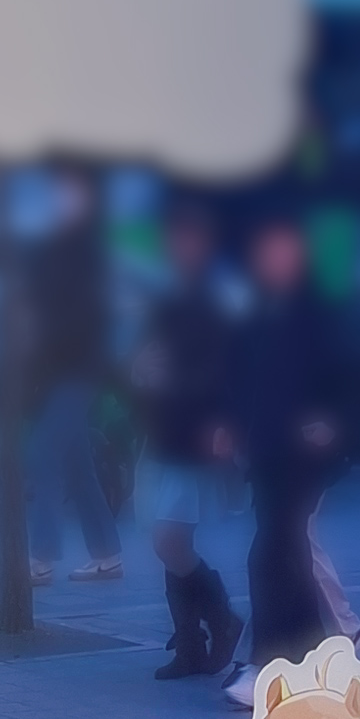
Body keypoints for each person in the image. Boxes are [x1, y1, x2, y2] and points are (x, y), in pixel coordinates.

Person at [222, 212, 356, 695]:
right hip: (266, 451)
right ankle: (316, 654)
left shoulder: (321, 314)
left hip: (306, 455)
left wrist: (334, 421)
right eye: (266, 251)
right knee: (289, 552)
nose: (274, 260)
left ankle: (269, 663)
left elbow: (355, 379)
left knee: (271, 550)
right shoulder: (256, 313)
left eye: (283, 250)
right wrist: (231, 426)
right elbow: (239, 378)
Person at [126, 198, 244, 681]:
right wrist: (140, 371)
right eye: (176, 238)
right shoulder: (166, 297)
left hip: (197, 431)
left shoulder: (222, 298)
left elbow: (228, 367)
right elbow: (146, 358)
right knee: (169, 538)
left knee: (168, 539)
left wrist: (224, 419)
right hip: (167, 428)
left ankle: (221, 618)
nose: (181, 247)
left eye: (191, 238)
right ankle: (193, 642)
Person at [21, 167, 121, 585]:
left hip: (79, 368)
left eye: (73, 195)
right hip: (52, 371)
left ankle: (40, 557)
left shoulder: (88, 253)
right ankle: (107, 553)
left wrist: (45, 336)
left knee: (43, 454)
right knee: (78, 465)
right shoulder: (47, 250)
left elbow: (86, 315)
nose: (63, 201)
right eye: (59, 193)